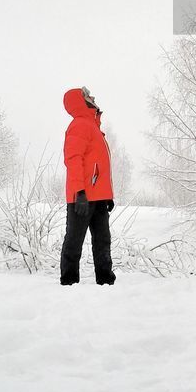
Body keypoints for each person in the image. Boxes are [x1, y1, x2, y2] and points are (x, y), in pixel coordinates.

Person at [60, 86, 116, 285]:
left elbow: (99, 166)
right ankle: (68, 283)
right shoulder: (79, 125)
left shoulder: (93, 127)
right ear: (80, 102)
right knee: (74, 242)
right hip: (82, 198)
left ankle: (106, 282)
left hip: (99, 198)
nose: (92, 96)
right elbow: (73, 159)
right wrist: (79, 192)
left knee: (103, 242)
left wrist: (108, 195)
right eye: (87, 95)